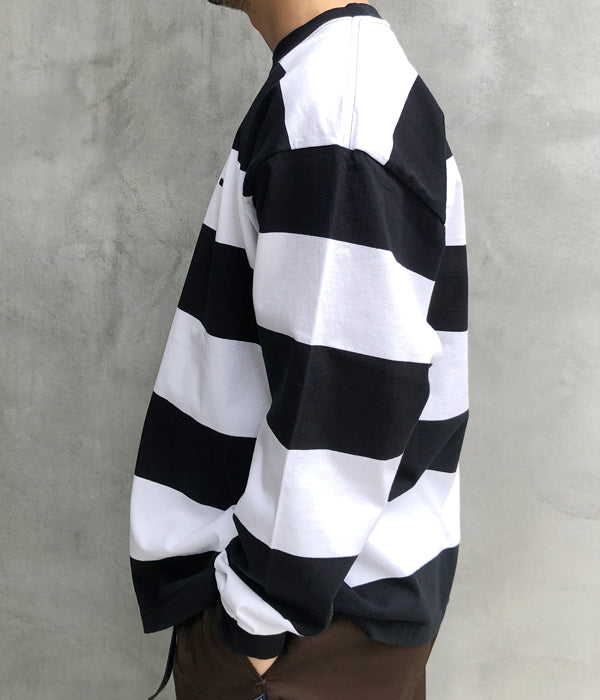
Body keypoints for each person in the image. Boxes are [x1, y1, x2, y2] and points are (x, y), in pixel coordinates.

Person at [128, 2, 469, 698]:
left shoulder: (335, 113)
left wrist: (251, 635)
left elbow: (340, 411)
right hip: (321, 625)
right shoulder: (331, 89)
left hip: (303, 639)